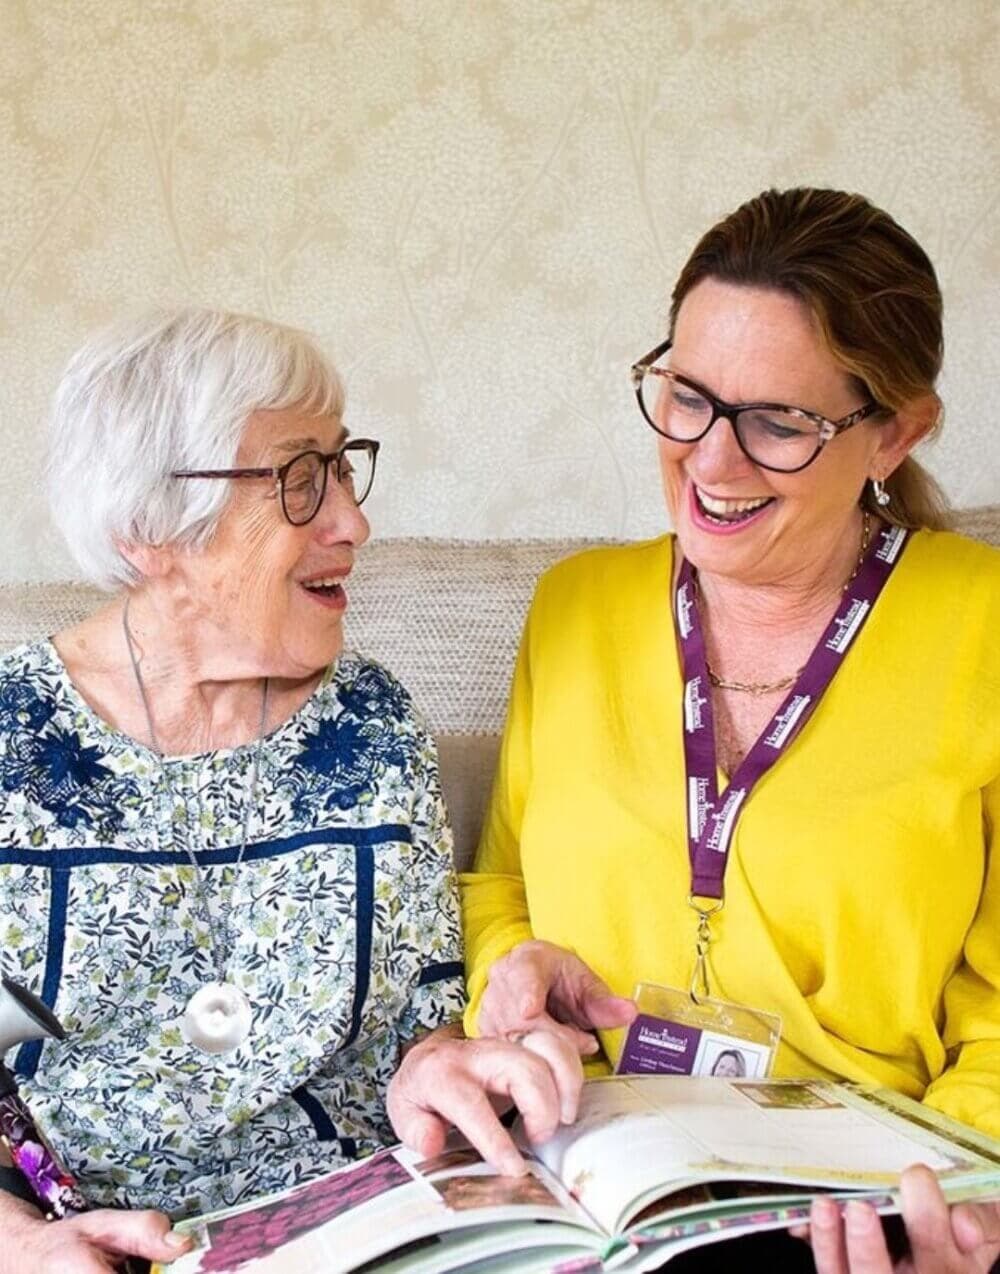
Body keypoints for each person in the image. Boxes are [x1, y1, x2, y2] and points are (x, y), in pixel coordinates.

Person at [462, 189, 1000, 1271]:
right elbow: (500, 881)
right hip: (589, 1176)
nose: (710, 461)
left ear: (894, 432)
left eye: (777, 422)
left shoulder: (982, 625)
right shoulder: (576, 604)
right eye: (688, 398)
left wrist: (951, 1194)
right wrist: (509, 973)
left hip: (859, 1196)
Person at [0, 308, 580, 1273]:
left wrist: (445, 1068)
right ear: (152, 527)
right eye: (300, 479)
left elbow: (414, 1027)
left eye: (343, 466)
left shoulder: (368, 723)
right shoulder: (9, 741)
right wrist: (21, 1244)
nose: (353, 521)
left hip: (371, 1232)